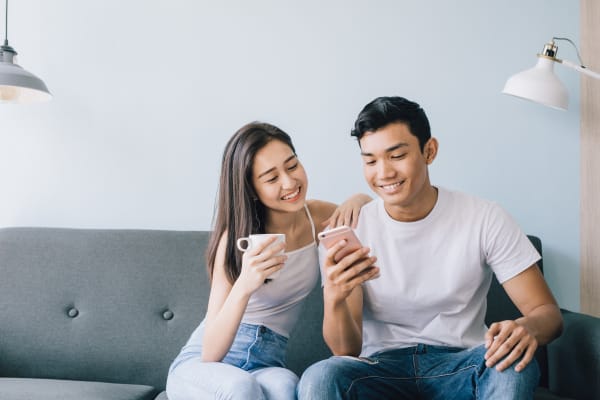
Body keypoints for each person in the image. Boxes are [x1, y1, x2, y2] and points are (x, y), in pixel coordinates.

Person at [297, 96, 563, 399]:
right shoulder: (351, 230)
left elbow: (548, 314)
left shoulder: (484, 217)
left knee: (514, 364)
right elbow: (346, 350)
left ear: (429, 151)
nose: (383, 173)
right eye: (370, 160)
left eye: (396, 155)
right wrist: (334, 295)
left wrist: (527, 328)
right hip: (380, 369)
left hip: (463, 364)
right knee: (321, 376)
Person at [166, 121, 371, 400]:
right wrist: (245, 284)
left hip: (266, 363)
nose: (289, 182)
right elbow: (210, 351)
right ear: (251, 188)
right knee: (241, 388)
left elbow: (371, 210)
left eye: (292, 165)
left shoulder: (319, 218)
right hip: (204, 367)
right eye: (271, 178)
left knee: (288, 387)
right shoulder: (236, 239)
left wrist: (358, 199)